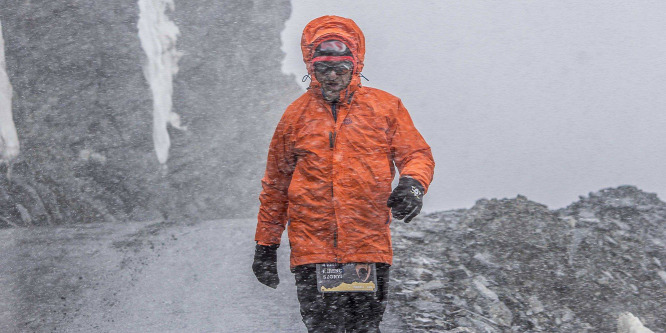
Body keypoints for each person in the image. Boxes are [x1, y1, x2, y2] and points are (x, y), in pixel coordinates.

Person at [252, 15, 435, 332]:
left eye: (341, 68)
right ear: (312, 68)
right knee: (323, 328)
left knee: (364, 328)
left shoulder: (385, 108)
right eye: (324, 69)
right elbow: (275, 187)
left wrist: (413, 184)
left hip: (367, 250)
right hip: (312, 254)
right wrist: (265, 247)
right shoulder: (295, 117)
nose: (333, 77)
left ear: (355, 65)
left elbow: (416, 153)